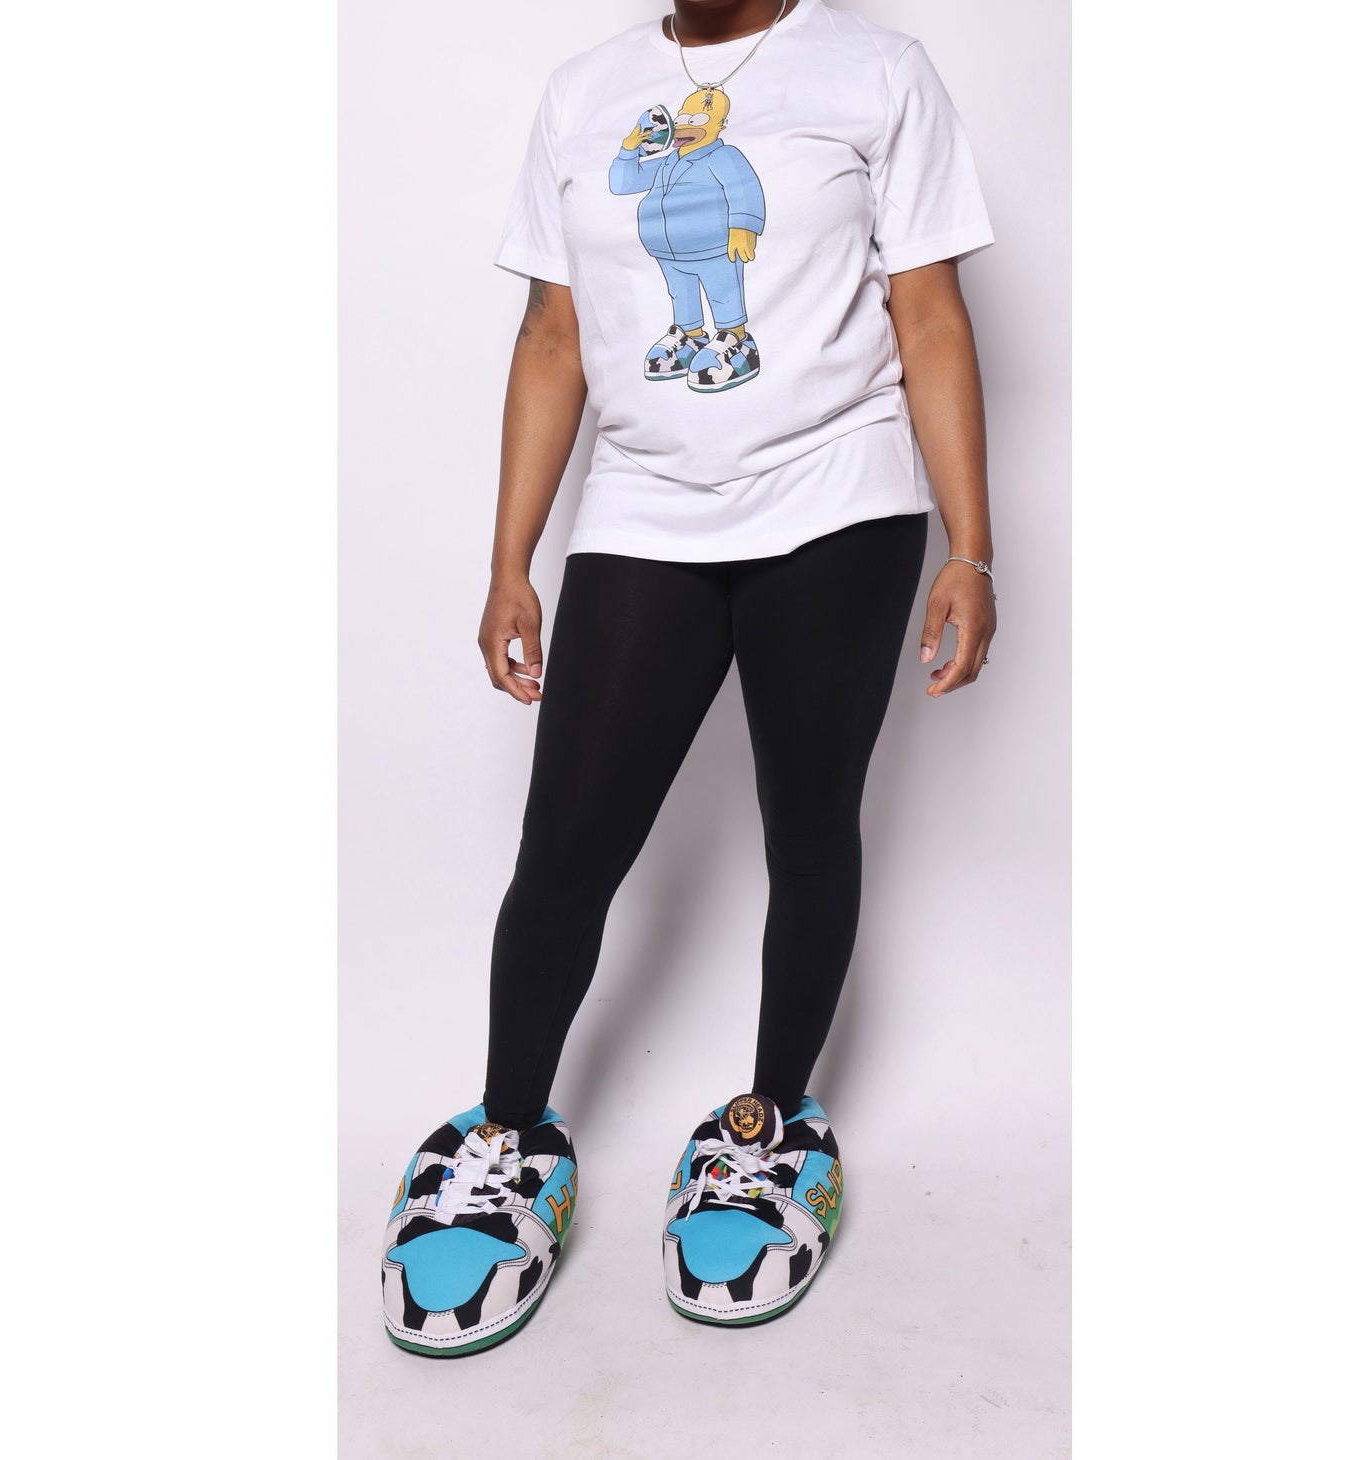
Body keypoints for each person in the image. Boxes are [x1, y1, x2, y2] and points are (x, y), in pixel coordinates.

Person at [381, 0, 999, 1356]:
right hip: (645, 509)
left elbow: (928, 311)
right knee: (566, 851)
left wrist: (972, 547)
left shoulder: (877, 72)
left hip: (838, 498)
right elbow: (554, 335)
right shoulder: (585, 91)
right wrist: (510, 560)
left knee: (808, 826)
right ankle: (508, 1137)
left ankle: (768, 1134)